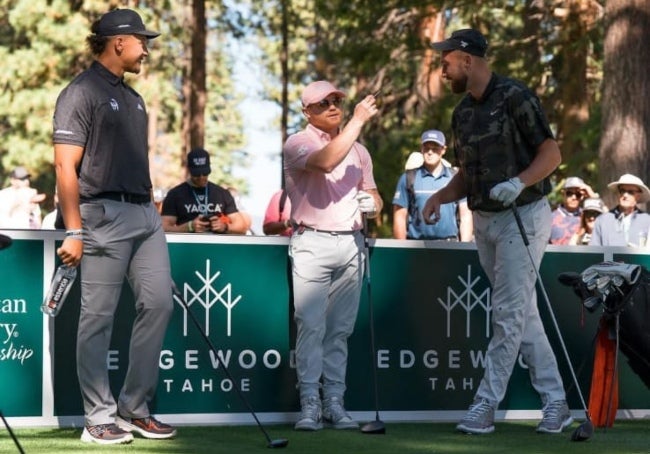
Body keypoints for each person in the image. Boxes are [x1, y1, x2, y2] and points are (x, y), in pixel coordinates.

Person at [423, 28, 572, 435]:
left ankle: (485, 404)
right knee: (522, 314)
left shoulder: (515, 96)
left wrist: (521, 181)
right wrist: (440, 197)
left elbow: (552, 153)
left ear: (468, 60)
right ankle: (556, 402)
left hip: (523, 216)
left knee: (508, 313)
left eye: (447, 61)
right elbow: (466, 175)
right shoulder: (461, 114)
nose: (442, 70)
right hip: (485, 222)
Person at [52, 8, 176, 445]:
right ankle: (97, 417)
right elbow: (66, 168)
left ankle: (133, 408)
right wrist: (73, 230)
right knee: (98, 319)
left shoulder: (134, 98)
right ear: (117, 42)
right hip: (100, 215)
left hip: (144, 215)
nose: (147, 48)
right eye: (142, 40)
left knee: (160, 303)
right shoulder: (80, 92)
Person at [283, 80, 382, 431]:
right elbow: (325, 162)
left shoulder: (360, 152)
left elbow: (374, 195)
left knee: (339, 331)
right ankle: (310, 402)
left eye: (337, 100)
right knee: (310, 326)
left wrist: (373, 204)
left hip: (351, 244)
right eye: (323, 103)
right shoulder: (297, 142)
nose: (333, 106)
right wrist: (357, 122)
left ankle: (334, 402)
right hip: (312, 241)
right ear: (307, 111)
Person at [392, 129, 473, 241]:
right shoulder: (408, 178)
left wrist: (464, 247)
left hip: (450, 245)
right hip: (416, 247)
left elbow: (465, 215)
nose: (430, 152)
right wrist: (401, 250)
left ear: (443, 150)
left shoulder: (456, 178)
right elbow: (400, 216)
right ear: (421, 149)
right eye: (426, 148)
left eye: (435, 148)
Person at [160, 148, 249, 234]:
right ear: (189, 170)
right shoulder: (175, 194)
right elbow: (163, 228)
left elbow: (242, 227)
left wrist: (224, 227)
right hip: (188, 246)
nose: (201, 177)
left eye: (205, 172)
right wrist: (189, 227)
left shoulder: (222, 194)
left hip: (217, 245)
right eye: (197, 174)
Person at [589, 174, 650, 247]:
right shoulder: (602, 221)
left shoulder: (647, 221)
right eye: (622, 191)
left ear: (638, 196)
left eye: (631, 192)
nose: (625, 195)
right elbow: (594, 252)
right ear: (618, 193)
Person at [549, 176, 596, 244]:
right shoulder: (550, 218)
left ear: (582, 196)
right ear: (563, 194)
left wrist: (592, 196)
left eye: (578, 194)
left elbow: (607, 222)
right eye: (569, 193)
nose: (574, 197)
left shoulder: (588, 217)